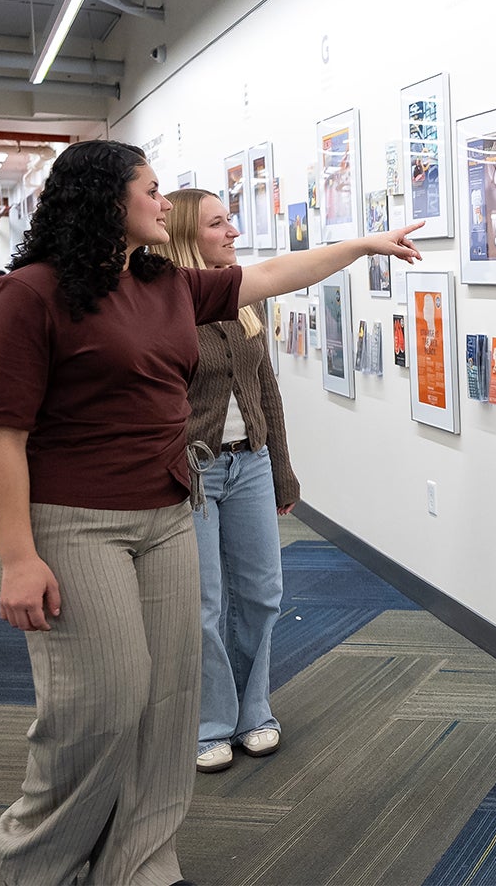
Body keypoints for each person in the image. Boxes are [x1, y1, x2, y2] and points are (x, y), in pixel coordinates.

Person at [0, 139, 422, 886]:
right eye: (149, 189)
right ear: (107, 200)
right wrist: (18, 557)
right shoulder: (30, 294)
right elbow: (0, 438)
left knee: (168, 703)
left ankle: (140, 860)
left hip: (171, 509)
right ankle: (35, 854)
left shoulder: (166, 284)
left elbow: (271, 275)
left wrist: (363, 244)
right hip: (77, 521)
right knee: (103, 701)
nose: (159, 201)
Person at [152, 188, 298, 774]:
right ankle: (210, 722)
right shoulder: (167, 307)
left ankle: (251, 708)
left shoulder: (242, 302)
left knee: (263, 596)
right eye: (219, 223)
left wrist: (282, 469)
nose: (234, 232)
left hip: (252, 463)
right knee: (204, 606)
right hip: (194, 471)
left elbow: (266, 392)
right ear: (190, 233)